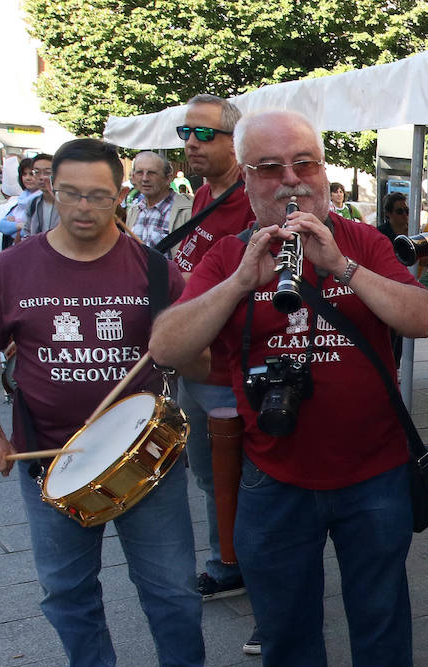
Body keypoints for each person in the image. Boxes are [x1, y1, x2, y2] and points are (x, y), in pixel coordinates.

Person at [149, 109, 428, 667]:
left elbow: (424, 319)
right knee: (283, 623)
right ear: (247, 179)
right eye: (271, 168)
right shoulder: (230, 256)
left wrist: (341, 266)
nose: (292, 181)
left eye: (304, 163)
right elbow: (169, 346)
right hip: (275, 479)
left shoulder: (362, 239)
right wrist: (241, 280)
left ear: (324, 169)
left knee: (379, 619)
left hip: (372, 474)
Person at [0, 138, 232, 667]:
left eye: (99, 195)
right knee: (65, 589)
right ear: (51, 191)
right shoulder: (13, 269)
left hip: (144, 460)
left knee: (172, 585)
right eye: (71, 193)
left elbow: (200, 357)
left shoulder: (155, 270)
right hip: (49, 458)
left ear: (120, 194)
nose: (84, 207)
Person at [172, 94, 258, 629]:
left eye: (203, 134)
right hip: (197, 369)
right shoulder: (204, 195)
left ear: (235, 142)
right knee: (208, 477)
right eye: (186, 132)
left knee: (243, 481)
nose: (191, 144)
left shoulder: (252, 203)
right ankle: (227, 561)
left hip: (231, 371)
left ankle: (258, 577)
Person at [125, 151, 193, 248]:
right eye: (139, 172)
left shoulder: (187, 212)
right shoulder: (134, 211)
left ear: (168, 179)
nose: (145, 178)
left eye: (152, 173)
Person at [21, 154, 56, 239]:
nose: (41, 177)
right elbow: (26, 233)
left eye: (47, 172)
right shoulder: (32, 203)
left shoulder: (66, 203)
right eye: (36, 172)